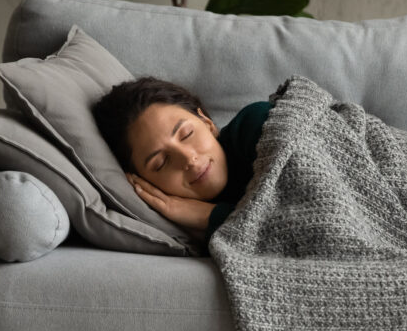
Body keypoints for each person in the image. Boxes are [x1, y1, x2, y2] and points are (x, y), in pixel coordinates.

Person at [92, 76, 272, 245]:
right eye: (161, 162)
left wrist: (207, 216)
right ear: (146, 182)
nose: (188, 159)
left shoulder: (259, 124)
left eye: (187, 134)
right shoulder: (187, 229)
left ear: (207, 123)